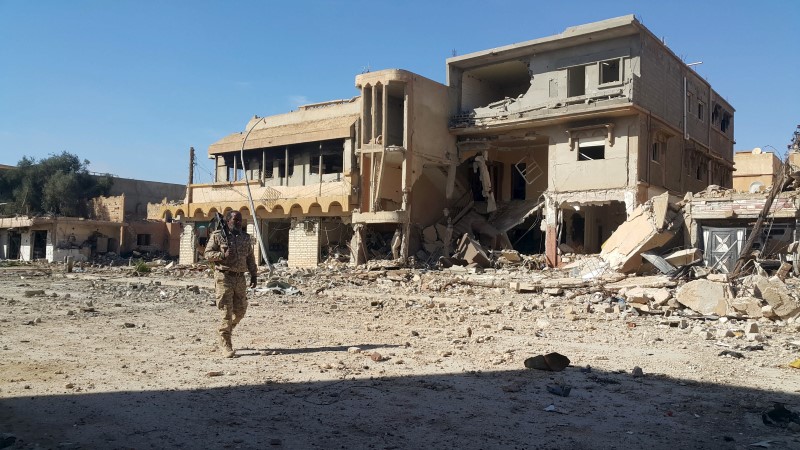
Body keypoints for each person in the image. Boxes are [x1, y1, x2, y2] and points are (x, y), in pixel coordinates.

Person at [204, 211, 258, 358]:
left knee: (240, 311)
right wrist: (221, 255)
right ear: (228, 221)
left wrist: (254, 274)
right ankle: (225, 342)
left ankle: (226, 330)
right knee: (226, 312)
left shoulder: (245, 238)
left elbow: (250, 258)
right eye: (235, 220)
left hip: (240, 279)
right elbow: (207, 254)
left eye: (240, 220)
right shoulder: (218, 236)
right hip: (224, 277)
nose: (239, 222)